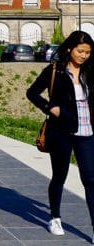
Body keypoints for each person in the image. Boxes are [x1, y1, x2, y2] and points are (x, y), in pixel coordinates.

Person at [27, 30, 94, 239]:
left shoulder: (91, 71)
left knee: (90, 179)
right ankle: (54, 217)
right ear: (69, 49)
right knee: (60, 176)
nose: (84, 55)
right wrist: (50, 108)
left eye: (88, 52)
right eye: (80, 51)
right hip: (61, 131)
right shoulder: (55, 70)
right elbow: (32, 93)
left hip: (87, 131)